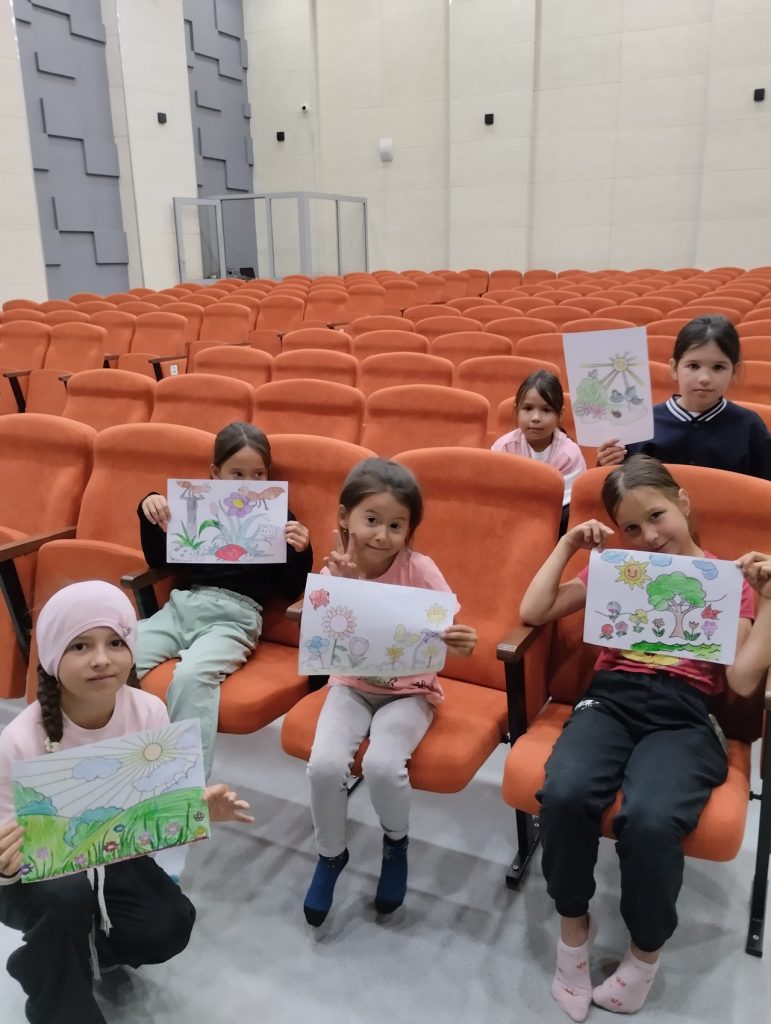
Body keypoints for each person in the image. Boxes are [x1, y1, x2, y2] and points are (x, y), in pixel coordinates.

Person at [519, 455, 771, 1020]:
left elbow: (742, 680)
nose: (649, 536)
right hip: (611, 700)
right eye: (631, 527)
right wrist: (568, 546)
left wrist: (770, 600)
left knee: (653, 821)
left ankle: (645, 952)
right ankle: (573, 931)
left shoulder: (727, 580)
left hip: (685, 715)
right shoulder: (621, 569)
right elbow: (533, 609)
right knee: (565, 793)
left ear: (682, 502)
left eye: (657, 516)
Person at [0, 581, 254, 1024]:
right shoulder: (20, 739)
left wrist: (197, 810)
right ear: (53, 656)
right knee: (66, 897)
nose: (102, 659)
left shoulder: (148, 711)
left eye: (115, 642)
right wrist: (6, 863)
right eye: (80, 645)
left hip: (110, 856)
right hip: (37, 882)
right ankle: (57, 999)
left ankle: (66, 951)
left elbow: (152, 818)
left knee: (168, 924)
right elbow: (10, 847)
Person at [302, 458, 477, 927]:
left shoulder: (420, 569)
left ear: (409, 530)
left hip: (410, 692)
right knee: (323, 766)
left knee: (382, 766)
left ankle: (396, 844)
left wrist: (460, 640)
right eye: (372, 520)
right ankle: (330, 855)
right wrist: (338, 588)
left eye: (396, 526)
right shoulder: (335, 569)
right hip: (351, 686)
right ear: (345, 517)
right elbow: (325, 632)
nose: (382, 535)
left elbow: (448, 630)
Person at [137, 421, 312, 777]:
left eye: (258, 474)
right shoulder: (195, 506)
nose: (248, 483)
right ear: (215, 474)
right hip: (182, 606)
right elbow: (159, 560)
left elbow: (289, 588)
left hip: (235, 616)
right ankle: (111, 764)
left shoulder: (278, 518)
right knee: (117, 654)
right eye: (237, 474)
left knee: (191, 677)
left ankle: (184, 787)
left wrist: (301, 549)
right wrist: (149, 509)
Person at [596, 314, 771, 478]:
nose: (704, 378)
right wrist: (607, 463)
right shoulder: (640, 423)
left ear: (734, 371)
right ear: (674, 368)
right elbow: (618, 487)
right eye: (693, 366)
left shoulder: (749, 426)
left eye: (718, 367)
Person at [491, 369, 586, 534]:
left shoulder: (569, 455)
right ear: (517, 410)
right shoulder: (503, 447)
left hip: (553, 524)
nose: (535, 417)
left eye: (546, 410)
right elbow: (493, 492)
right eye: (527, 408)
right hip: (507, 519)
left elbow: (567, 506)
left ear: (560, 414)